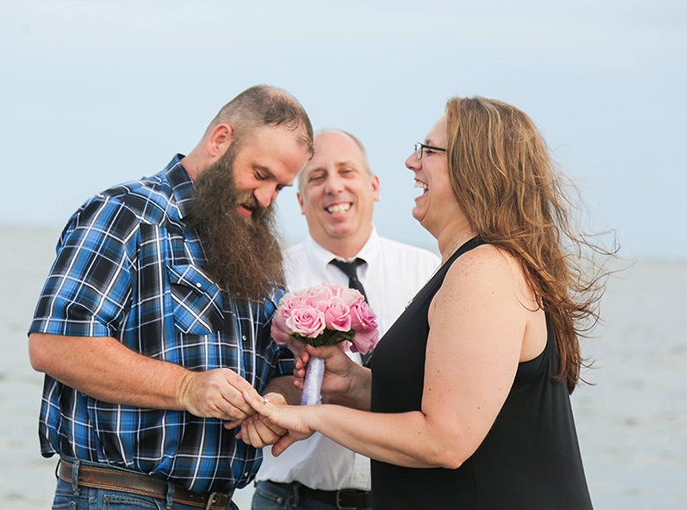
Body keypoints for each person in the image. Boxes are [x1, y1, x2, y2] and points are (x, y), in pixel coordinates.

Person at [244, 97, 612, 509]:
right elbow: (443, 400)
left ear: (475, 167)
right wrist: (353, 382)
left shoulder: (484, 271)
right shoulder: (467, 266)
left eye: (428, 151)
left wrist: (312, 417)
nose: (410, 162)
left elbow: (445, 439)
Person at [27, 85, 314, 510]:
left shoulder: (257, 250)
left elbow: (287, 369)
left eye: (281, 187)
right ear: (220, 140)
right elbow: (54, 345)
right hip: (120, 497)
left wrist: (273, 404)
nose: (266, 197)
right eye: (260, 174)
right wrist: (186, 387)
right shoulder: (127, 213)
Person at [245, 129, 439, 509]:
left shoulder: (428, 271)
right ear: (301, 201)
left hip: (407, 498)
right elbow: (250, 375)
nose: (334, 187)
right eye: (317, 178)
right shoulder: (268, 277)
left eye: (346, 172)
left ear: (374, 186)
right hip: (294, 499)